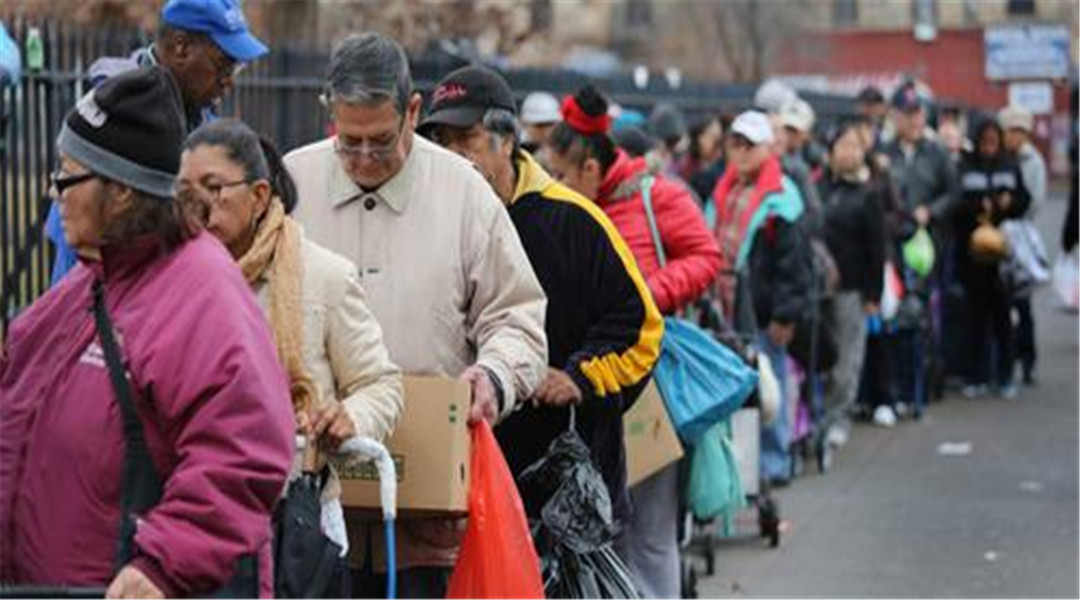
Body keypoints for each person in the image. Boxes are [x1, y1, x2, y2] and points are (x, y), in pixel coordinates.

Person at [0, 67, 293, 598]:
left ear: (122, 194)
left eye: (68, 176)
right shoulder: (88, 283)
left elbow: (244, 450)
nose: (53, 191)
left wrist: (162, 565)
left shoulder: (201, 291)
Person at [283, 33, 547, 598]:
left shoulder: (463, 193)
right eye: (348, 142)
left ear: (413, 112)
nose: (363, 159)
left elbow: (518, 317)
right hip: (315, 508)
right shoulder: (292, 184)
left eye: (380, 142)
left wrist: (494, 378)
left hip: (431, 509)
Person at [419, 65, 664, 529]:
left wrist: (580, 377)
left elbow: (642, 328)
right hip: (457, 482)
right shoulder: (426, 224)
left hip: (565, 488)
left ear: (506, 141)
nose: (452, 156)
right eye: (441, 143)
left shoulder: (575, 221)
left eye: (465, 139)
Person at [177, 118, 405, 555]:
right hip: (191, 512)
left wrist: (348, 417)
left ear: (259, 196)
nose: (198, 206)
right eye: (185, 192)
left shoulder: (322, 277)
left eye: (214, 188)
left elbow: (380, 383)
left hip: (296, 521)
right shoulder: (169, 277)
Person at [546, 85, 721, 599]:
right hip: (585, 384)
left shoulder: (655, 195)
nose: (552, 183)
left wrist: (645, 297)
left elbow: (706, 256)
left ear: (591, 171)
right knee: (602, 530)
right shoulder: (562, 212)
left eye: (560, 174)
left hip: (647, 382)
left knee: (648, 532)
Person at [46, 0, 269, 285]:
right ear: (181, 47)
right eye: (223, 64)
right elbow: (75, 252)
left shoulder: (203, 123)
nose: (229, 81)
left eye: (236, 68)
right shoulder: (113, 113)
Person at [711, 110, 813, 484]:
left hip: (764, 311)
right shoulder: (724, 189)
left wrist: (786, 316)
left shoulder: (783, 197)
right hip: (725, 308)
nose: (739, 152)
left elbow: (796, 263)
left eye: (748, 145)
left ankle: (773, 463)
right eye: (734, 143)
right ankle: (740, 470)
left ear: (766, 149)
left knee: (770, 389)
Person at [953, 118, 1030, 399]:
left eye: (993, 142)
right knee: (975, 319)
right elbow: (956, 204)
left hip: (1003, 257)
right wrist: (976, 206)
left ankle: (1006, 375)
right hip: (972, 256)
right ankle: (976, 376)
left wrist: (1009, 204)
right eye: (984, 142)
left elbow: (1025, 201)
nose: (988, 148)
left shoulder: (1010, 165)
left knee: (1003, 319)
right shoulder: (965, 166)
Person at [817, 121, 887, 426]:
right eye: (842, 145)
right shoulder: (819, 188)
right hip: (819, 288)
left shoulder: (870, 194)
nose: (848, 152)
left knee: (847, 359)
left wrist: (874, 293)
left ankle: (837, 419)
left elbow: (878, 248)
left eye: (855, 146)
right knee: (821, 357)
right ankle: (817, 418)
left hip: (853, 287)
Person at [999, 105, 1046, 385]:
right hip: (998, 237)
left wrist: (1012, 210)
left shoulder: (1033, 161)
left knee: (1022, 302)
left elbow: (1035, 201)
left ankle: (1027, 359)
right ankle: (1007, 356)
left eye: (1019, 131)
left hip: (1022, 238)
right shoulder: (1000, 158)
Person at [519, 90, 561, 159]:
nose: (546, 131)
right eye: (540, 126)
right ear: (524, 124)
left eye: (550, 125)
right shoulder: (514, 151)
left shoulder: (564, 151)